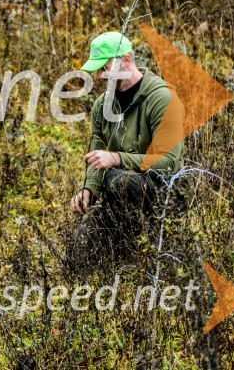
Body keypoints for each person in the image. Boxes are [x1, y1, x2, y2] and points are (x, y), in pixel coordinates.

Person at [68, 31, 183, 268]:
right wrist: (88, 189)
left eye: (105, 68)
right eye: (98, 70)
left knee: (117, 179)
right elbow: (97, 147)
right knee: (76, 259)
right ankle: (122, 253)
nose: (100, 76)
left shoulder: (162, 98)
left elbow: (170, 162)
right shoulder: (102, 105)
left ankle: (143, 252)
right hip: (118, 194)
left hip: (163, 193)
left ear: (127, 61)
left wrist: (117, 158)